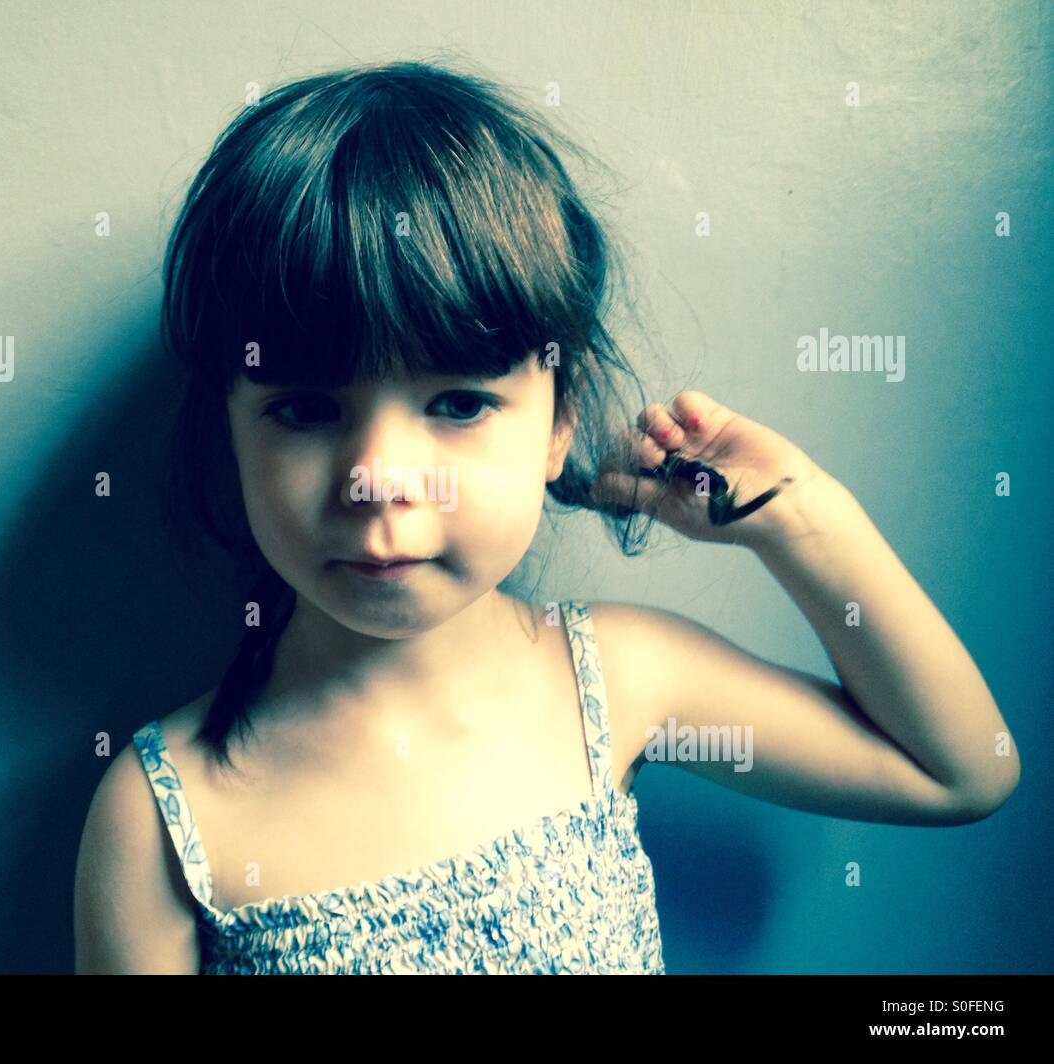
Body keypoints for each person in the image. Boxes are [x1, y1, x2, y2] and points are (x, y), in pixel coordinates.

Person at [73, 59, 1020, 974]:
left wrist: (795, 515)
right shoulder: (161, 815)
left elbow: (961, 772)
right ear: (230, 431)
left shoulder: (619, 681)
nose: (377, 481)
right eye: (305, 409)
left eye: (458, 404)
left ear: (561, 423)